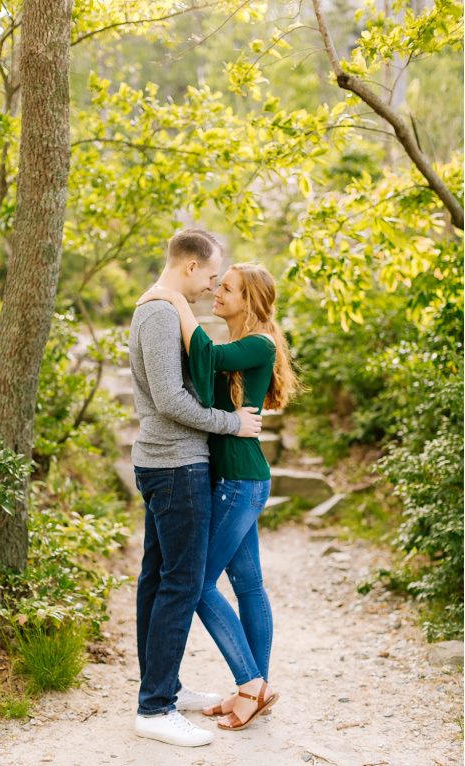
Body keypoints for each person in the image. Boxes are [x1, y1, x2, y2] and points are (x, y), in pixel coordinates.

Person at [138, 262, 301, 731]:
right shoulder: (238, 345)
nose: (216, 293)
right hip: (235, 479)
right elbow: (203, 372)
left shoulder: (260, 343)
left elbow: (204, 356)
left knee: (198, 584)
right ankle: (255, 691)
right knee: (248, 584)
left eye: (225, 289)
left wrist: (175, 302)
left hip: (238, 482)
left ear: (248, 299)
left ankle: (251, 683)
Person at [129, 229, 263, 747]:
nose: (211, 287)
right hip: (177, 466)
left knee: (157, 580)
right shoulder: (161, 313)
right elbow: (168, 399)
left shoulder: (156, 308)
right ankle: (155, 708)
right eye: (210, 276)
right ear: (189, 268)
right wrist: (231, 424)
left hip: (165, 462)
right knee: (182, 584)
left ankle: (161, 689)